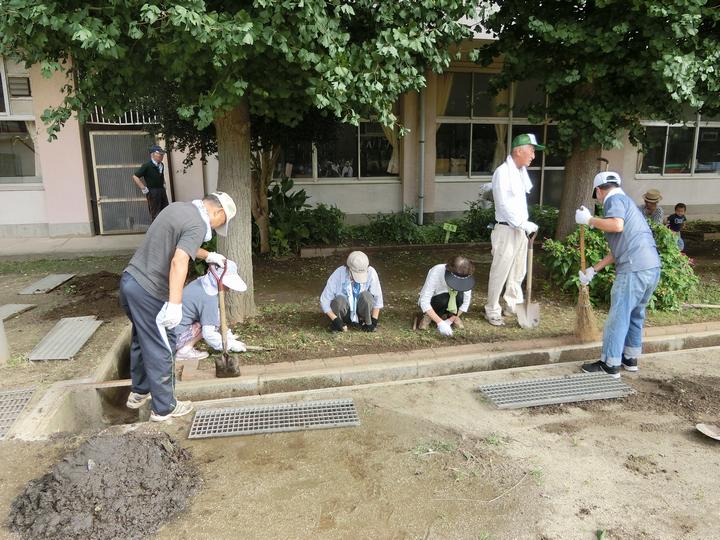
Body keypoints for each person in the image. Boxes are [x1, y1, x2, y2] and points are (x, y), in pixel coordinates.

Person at [119, 192, 236, 421]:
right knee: (163, 345)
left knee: (142, 338)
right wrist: (175, 304)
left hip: (130, 282)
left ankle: (139, 391)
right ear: (218, 212)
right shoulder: (198, 224)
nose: (217, 227)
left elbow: (181, 245)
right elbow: (179, 260)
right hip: (149, 291)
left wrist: (208, 255)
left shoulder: (177, 209)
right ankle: (165, 408)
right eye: (221, 222)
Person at [575, 171, 661, 378]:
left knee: (619, 315)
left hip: (633, 269)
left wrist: (589, 220)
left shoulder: (614, 200)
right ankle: (629, 358)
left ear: (598, 190)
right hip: (651, 267)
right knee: (635, 314)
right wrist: (593, 270)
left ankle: (610, 364)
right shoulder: (629, 203)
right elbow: (618, 249)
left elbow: (616, 225)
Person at [484, 133, 543, 326]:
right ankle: (492, 309)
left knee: (518, 271)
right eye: (531, 151)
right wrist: (522, 223)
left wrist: (524, 225)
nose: (533, 155)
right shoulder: (503, 172)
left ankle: (512, 304)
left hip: (520, 230)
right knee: (500, 271)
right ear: (518, 151)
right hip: (506, 230)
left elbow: (517, 204)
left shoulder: (519, 173)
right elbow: (503, 205)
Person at [174, 260, 248, 361]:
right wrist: (230, 345)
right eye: (228, 285)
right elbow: (208, 334)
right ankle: (184, 351)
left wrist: (227, 335)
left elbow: (216, 316)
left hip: (168, 332)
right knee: (206, 324)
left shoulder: (201, 283)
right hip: (174, 338)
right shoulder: (209, 298)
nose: (229, 288)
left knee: (210, 318)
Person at [320, 251, 383, 332]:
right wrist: (335, 319)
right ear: (348, 268)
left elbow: (378, 297)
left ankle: (366, 321)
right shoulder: (338, 273)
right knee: (339, 300)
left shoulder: (371, 272)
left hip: (361, 311)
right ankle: (339, 323)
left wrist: (374, 320)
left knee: (366, 296)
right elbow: (324, 300)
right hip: (344, 311)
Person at [416, 256, 476, 337]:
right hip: (436, 300)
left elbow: (465, 302)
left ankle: (452, 315)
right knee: (443, 299)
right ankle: (428, 316)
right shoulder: (437, 271)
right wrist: (440, 323)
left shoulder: (466, 276)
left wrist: (449, 321)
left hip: (454, 300)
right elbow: (424, 301)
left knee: (460, 297)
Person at [132, 145, 169, 222]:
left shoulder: (161, 165)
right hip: (153, 191)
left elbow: (161, 176)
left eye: (162, 154)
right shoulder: (147, 166)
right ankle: (156, 231)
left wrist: (164, 183)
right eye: (159, 154)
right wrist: (143, 187)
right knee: (155, 212)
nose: (161, 156)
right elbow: (135, 176)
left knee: (166, 210)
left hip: (161, 190)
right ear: (152, 154)